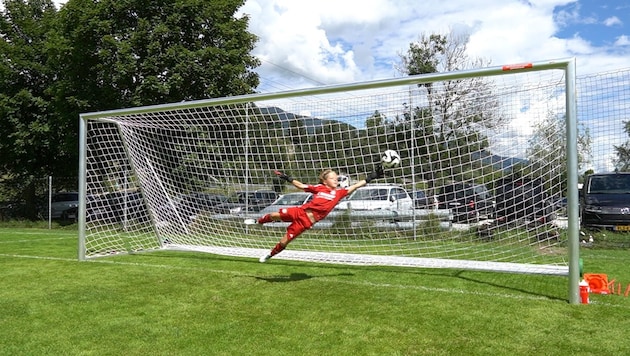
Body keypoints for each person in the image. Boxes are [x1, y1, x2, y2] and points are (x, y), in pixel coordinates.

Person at [257, 166, 384, 263]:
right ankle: (258, 222)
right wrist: (286, 177)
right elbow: (301, 185)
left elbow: (355, 186)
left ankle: (270, 254)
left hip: (305, 222)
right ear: (324, 181)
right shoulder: (319, 188)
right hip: (300, 211)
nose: (336, 180)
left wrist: (371, 177)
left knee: (284, 241)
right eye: (332, 178)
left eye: (336, 178)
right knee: (274, 215)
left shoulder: (339, 193)